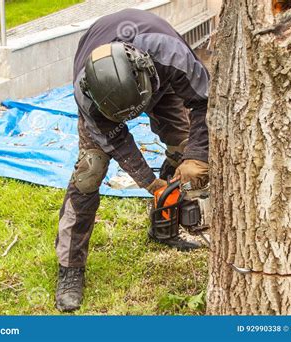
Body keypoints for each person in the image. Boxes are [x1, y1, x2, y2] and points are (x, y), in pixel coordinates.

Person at [55, 8, 210, 312]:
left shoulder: (171, 55)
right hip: (110, 100)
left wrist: (197, 156)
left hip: (160, 83)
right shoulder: (86, 92)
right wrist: (150, 182)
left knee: (183, 146)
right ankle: (70, 267)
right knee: (91, 170)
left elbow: (205, 102)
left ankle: (164, 226)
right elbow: (115, 139)